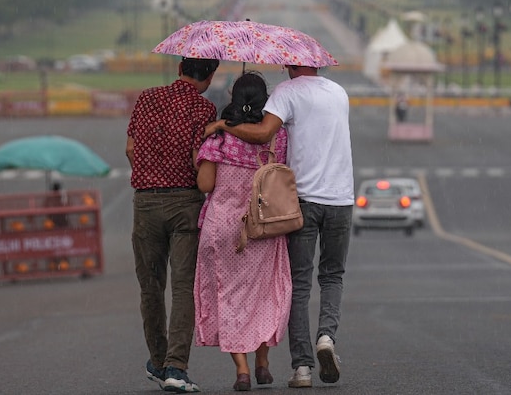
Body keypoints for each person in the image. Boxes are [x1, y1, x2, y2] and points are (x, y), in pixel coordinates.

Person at [205, 64, 354, 389]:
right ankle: (327, 336)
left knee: (299, 283)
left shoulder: (288, 92)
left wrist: (223, 124)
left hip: (301, 201)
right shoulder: (339, 93)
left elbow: (261, 133)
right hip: (341, 198)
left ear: (293, 64)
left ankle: (302, 367)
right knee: (332, 276)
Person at [126, 57, 220, 394]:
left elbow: (131, 149)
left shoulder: (147, 98)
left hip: (146, 203)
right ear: (209, 76)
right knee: (183, 288)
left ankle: (158, 358)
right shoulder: (205, 108)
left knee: (151, 287)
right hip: (185, 205)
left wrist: (153, 174)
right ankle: (176, 369)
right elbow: (201, 158)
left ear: (179, 68)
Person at [194, 71, 292, 392]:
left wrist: (201, 157)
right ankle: (263, 363)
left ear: (234, 98)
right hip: (263, 227)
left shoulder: (218, 139)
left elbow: (205, 184)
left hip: (223, 229)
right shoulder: (278, 138)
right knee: (262, 296)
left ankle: (242, 370)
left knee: (229, 297)